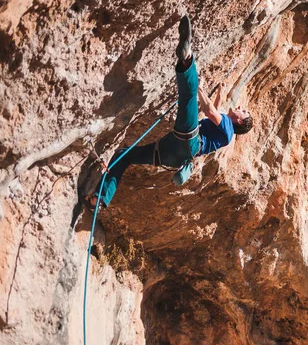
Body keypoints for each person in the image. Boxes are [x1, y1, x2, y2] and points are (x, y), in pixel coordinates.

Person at [87, 15, 253, 208]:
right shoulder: (224, 130)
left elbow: (209, 111)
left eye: (244, 112)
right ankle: (99, 200)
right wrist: (221, 93)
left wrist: (199, 88)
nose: (241, 108)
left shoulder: (229, 131)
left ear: (240, 122)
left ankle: (187, 57)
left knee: (188, 95)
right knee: (124, 155)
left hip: (189, 141)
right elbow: (216, 111)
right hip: (173, 155)